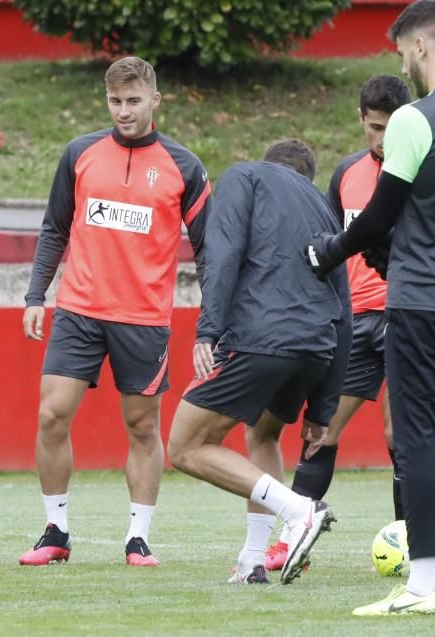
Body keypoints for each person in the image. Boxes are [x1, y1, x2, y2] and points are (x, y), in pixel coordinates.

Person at [307, 0, 435, 615]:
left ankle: (423, 587)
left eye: (402, 51)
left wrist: (329, 253)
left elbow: (378, 217)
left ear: (422, 46)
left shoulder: (414, 120)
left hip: (420, 303)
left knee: (418, 440)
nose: (403, 63)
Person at [18, 56, 209, 567]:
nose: (124, 112)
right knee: (50, 415)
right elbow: (55, 228)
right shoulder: (80, 153)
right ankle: (55, 531)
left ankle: (138, 538)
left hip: (143, 318)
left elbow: (210, 249)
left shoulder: (184, 166)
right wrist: (36, 295)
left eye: (133, 101)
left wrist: (213, 323)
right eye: (115, 102)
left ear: (155, 101)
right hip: (79, 310)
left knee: (143, 428)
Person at [167, 139, 350, 585]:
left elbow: (222, 254)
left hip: (261, 338)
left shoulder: (243, 176)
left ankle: (299, 511)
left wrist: (208, 330)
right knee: (263, 433)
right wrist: (322, 409)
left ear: (270, 167)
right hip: (316, 348)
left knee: (185, 446)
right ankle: (252, 562)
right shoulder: (323, 209)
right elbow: (344, 307)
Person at [262, 74, 413, 573]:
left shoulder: (423, 171)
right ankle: (296, 537)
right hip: (354, 321)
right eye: (374, 127)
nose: (382, 139)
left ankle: (412, 542)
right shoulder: (346, 174)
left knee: (401, 433)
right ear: (361, 120)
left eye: (391, 127)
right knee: (320, 432)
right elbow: (323, 249)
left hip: (409, 314)